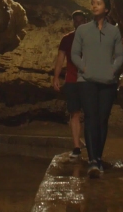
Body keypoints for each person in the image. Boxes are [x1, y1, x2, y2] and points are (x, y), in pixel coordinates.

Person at [71, 0, 123, 178]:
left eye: (98, 3)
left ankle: (98, 157)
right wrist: (84, 68)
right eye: (92, 3)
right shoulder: (83, 30)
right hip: (87, 81)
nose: (94, 6)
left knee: (102, 120)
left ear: (106, 9)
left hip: (108, 82)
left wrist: (112, 71)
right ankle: (93, 160)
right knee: (91, 118)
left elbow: (119, 56)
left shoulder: (114, 31)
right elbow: (74, 54)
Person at [52, 10, 89, 158]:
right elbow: (60, 59)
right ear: (73, 22)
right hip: (72, 81)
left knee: (90, 114)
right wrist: (56, 77)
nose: (79, 23)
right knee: (74, 113)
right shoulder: (67, 39)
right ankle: (76, 147)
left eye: (81, 21)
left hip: (88, 81)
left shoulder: (92, 37)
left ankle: (90, 143)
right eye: (76, 21)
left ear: (85, 21)